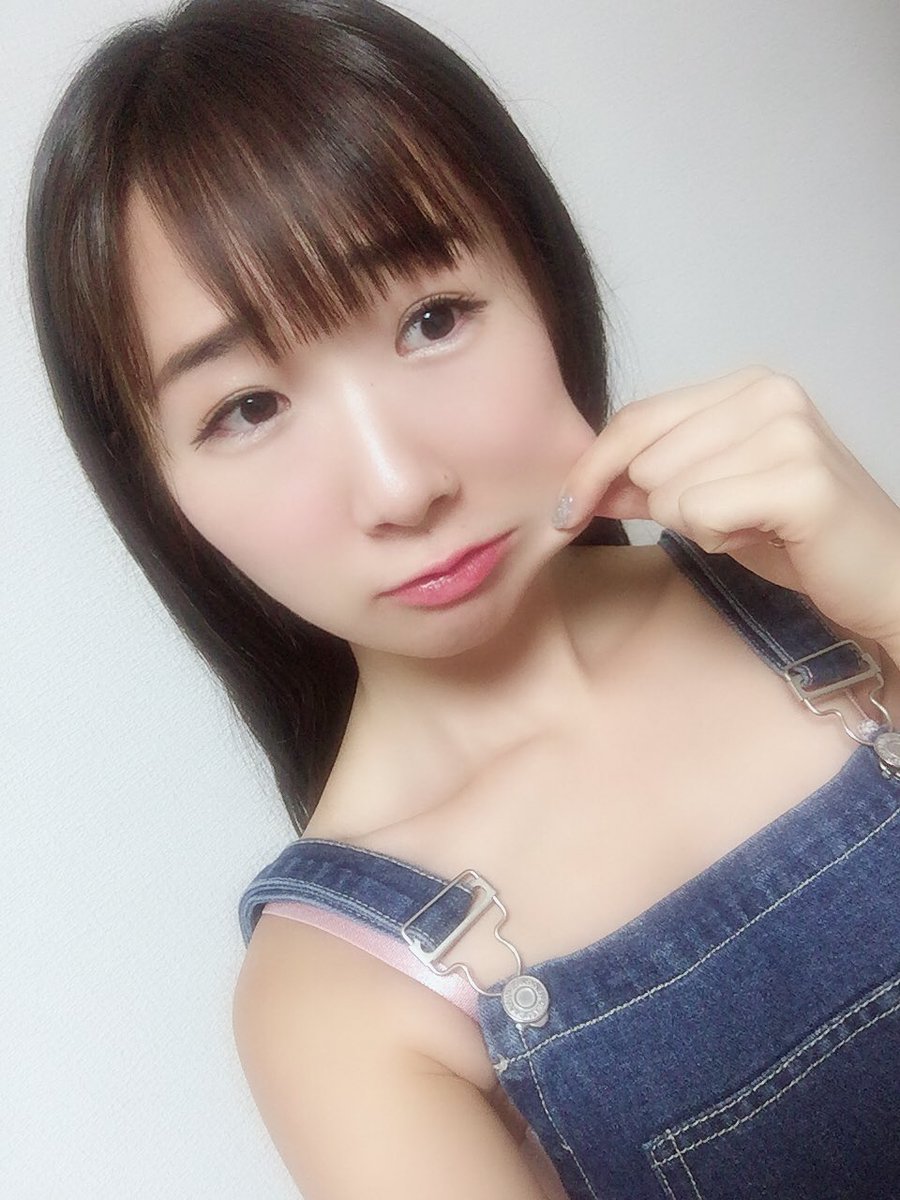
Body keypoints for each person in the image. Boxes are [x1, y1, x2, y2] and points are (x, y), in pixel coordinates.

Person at [26, 0, 900, 1197]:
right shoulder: (339, 998)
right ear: (162, 493)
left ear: (543, 283)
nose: (401, 486)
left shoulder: (828, 591)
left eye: (431, 320)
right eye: (248, 408)